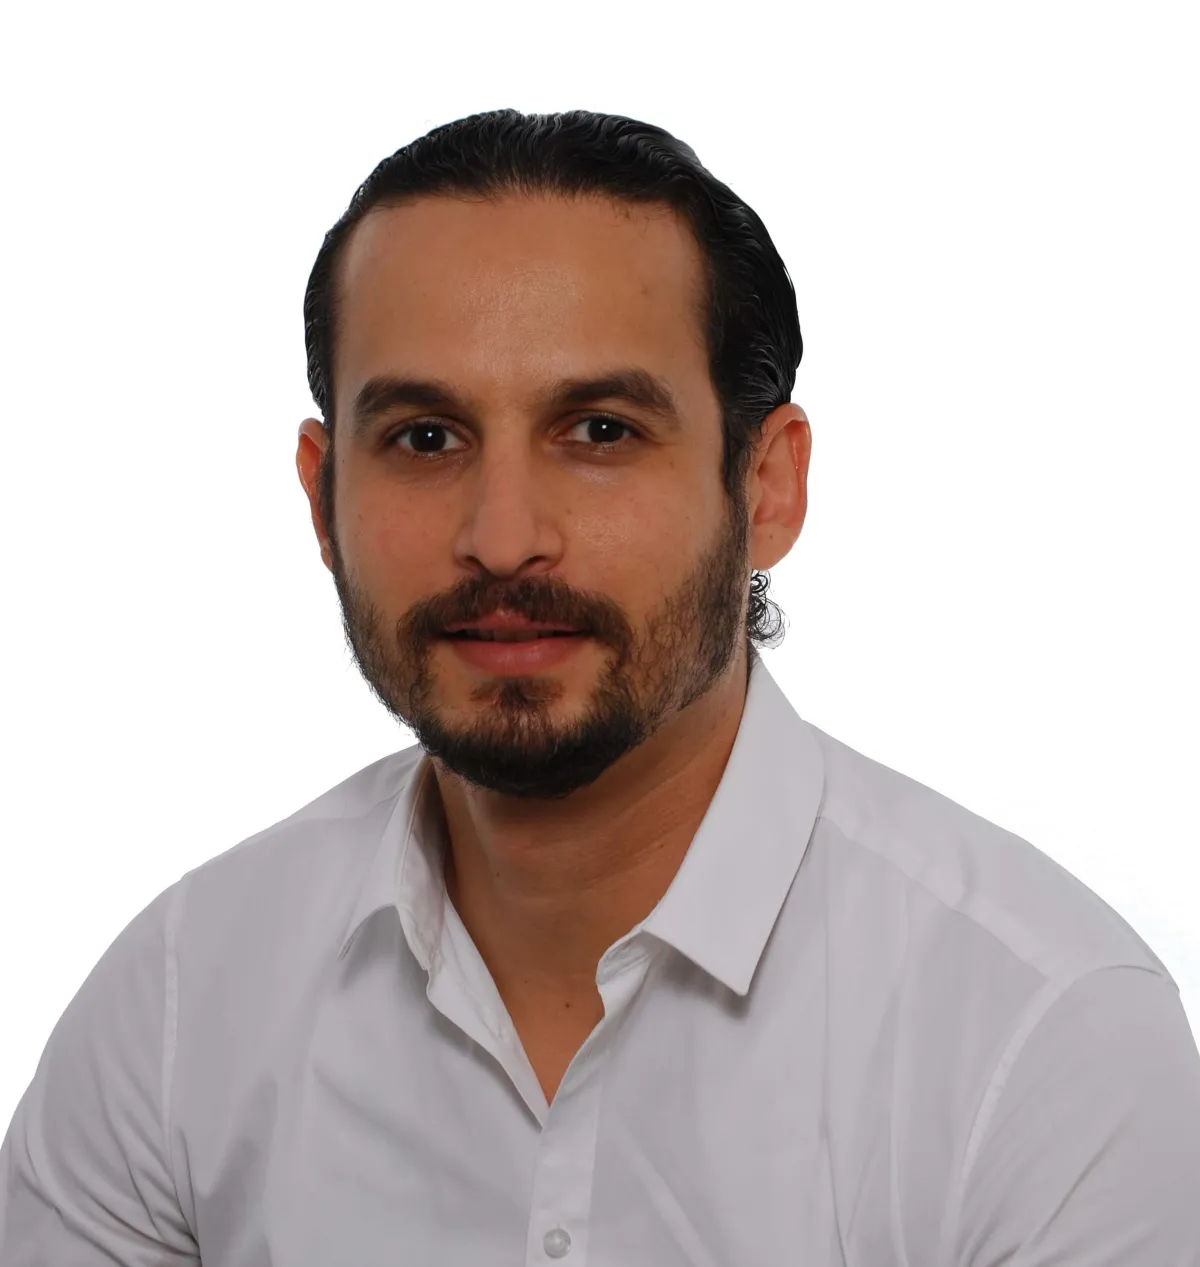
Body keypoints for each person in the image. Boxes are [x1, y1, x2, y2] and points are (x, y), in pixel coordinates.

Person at [2, 107, 1197, 1265]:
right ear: (322, 497)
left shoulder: (1044, 1043)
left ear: (767, 486)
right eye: (425, 437)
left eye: (601, 431)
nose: (502, 538)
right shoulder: (180, 1003)